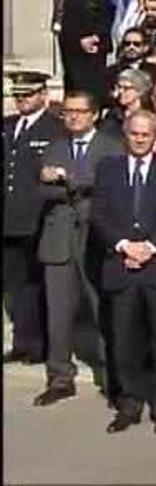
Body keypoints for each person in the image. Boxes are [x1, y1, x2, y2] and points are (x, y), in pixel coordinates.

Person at [90, 110, 156, 435]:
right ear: (126, 133)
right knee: (124, 340)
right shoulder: (108, 169)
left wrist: (149, 247)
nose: (139, 139)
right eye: (134, 133)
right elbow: (99, 215)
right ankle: (129, 403)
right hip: (120, 265)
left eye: (145, 134)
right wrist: (124, 246)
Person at [34, 90, 124, 405]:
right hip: (58, 240)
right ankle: (60, 377)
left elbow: (106, 188)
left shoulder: (111, 147)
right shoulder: (55, 146)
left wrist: (65, 179)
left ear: (95, 114)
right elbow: (41, 190)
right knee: (58, 313)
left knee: (104, 310)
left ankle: (114, 379)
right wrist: (70, 185)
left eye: (79, 111)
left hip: (95, 240)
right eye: (67, 111)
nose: (72, 116)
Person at [3, 72, 63, 365]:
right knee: (13, 286)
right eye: (18, 95)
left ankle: (40, 344)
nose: (22, 100)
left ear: (43, 95)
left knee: (37, 284)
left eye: (28, 94)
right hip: (9, 217)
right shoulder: (7, 126)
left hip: (36, 217)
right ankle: (22, 342)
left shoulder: (54, 128)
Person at [59, 0, 116, 103]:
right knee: (75, 81)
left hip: (96, 46)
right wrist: (80, 41)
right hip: (74, 47)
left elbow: (107, 18)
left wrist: (94, 38)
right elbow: (68, 21)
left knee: (94, 84)